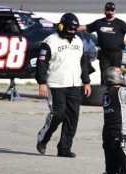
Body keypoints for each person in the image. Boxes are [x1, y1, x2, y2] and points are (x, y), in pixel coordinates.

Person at [36, 13, 91, 158]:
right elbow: (41, 63)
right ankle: (43, 138)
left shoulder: (78, 41)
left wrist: (86, 82)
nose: (72, 31)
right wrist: (42, 82)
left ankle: (64, 148)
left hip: (75, 85)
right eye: (69, 28)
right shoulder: (50, 41)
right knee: (58, 115)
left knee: (72, 117)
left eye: (74, 29)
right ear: (62, 26)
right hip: (56, 85)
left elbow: (83, 63)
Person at [78, 2, 126, 84]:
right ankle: (103, 93)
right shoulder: (99, 22)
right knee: (104, 74)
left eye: (112, 10)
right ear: (105, 10)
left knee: (116, 74)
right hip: (103, 54)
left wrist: (125, 43)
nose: (110, 12)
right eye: (108, 10)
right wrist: (72, 26)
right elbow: (85, 27)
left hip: (116, 53)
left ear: (114, 11)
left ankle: (117, 92)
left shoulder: (120, 23)